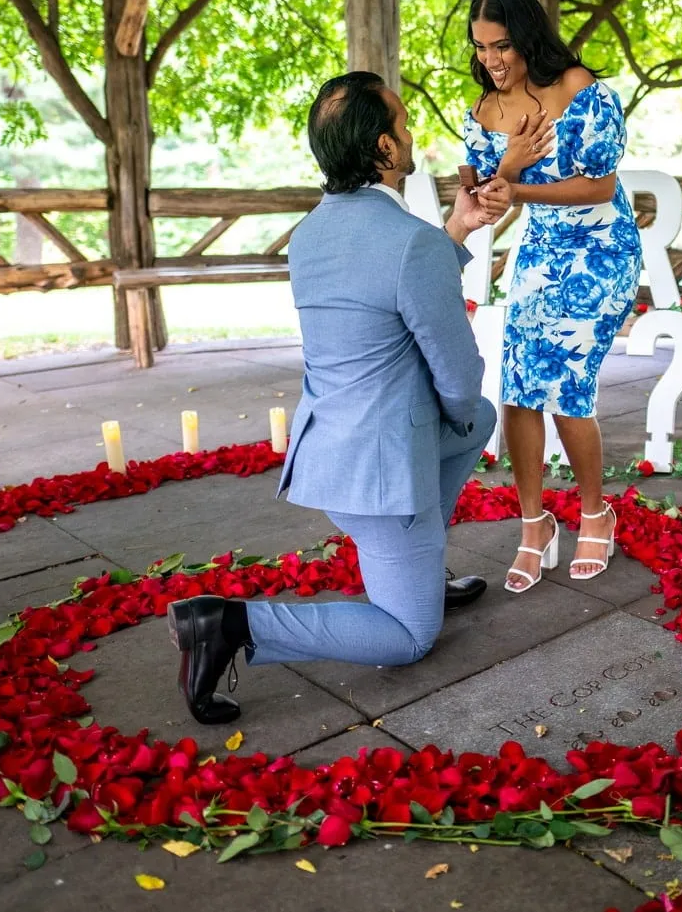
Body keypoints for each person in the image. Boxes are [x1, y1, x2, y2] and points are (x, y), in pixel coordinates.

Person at [168, 71, 511, 726]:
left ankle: (420, 563)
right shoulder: (409, 242)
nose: (410, 134)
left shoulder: (311, 234)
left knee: (477, 422)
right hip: (381, 478)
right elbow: (458, 373)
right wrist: (453, 407)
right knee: (409, 636)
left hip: (328, 452)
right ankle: (230, 624)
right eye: (403, 125)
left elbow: (383, 282)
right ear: (383, 147)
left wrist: (456, 230)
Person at [460, 0, 641, 593]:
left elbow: (601, 187)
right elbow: (478, 192)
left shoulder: (579, 89)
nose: (491, 59)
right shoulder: (484, 110)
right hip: (539, 254)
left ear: (527, 36)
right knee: (517, 389)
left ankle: (595, 513)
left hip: (601, 250)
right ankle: (534, 525)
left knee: (567, 386)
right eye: (481, 46)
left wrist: (517, 188)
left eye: (502, 45)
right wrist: (505, 171)